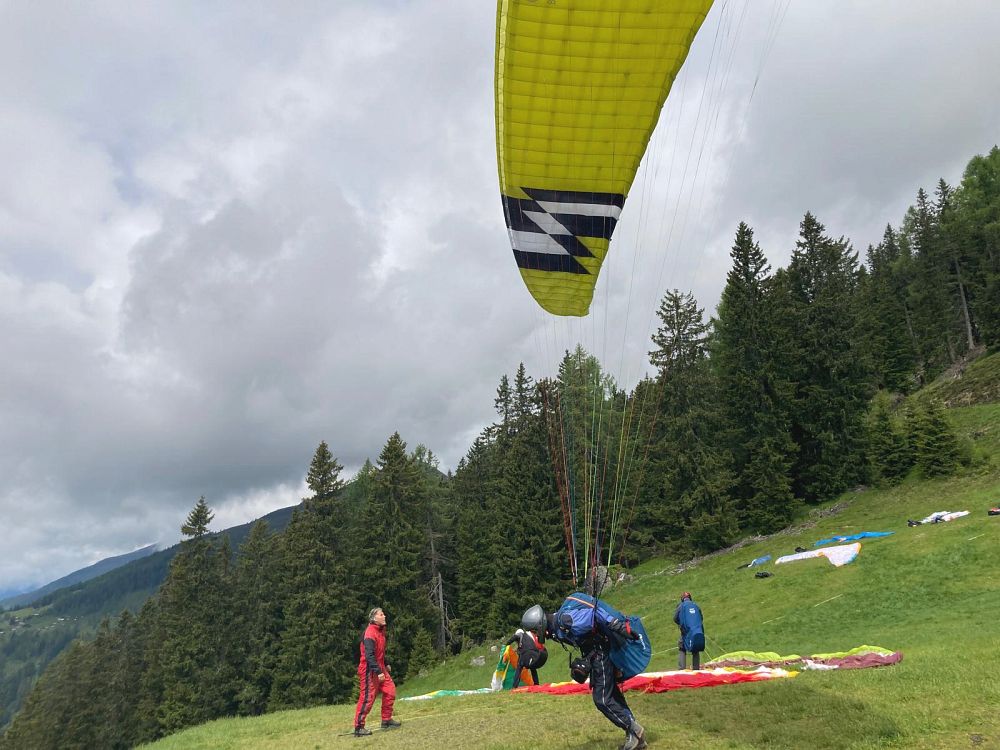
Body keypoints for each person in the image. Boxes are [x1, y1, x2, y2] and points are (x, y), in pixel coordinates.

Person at [522, 602, 647, 750]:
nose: (536, 635)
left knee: (602, 700)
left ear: (540, 625)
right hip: (596, 656)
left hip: (601, 655)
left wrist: (617, 626)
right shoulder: (554, 627)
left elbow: (594, 614)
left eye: (534, 631)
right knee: (612, 695)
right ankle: (635, 737)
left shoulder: (564, 619)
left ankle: (634, 729)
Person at [353, 607, 401, 737]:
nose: (384, 616)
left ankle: (386, 720)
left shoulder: (380, 631)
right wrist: (379, 671)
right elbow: (369, 656)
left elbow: (379, 651)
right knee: (367, 699)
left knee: (390, 691)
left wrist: (386, 663)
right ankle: (359, 728)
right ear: (374, 618)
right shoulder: (370, 633)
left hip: (379, 667)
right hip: (369, 670)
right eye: (381, 614)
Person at [673, 592, 705, 670]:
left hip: (686, 631)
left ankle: (682, 669)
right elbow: (701, 618)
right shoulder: (696, 605)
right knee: (695, 648)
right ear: (690, 598)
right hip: (696, 630)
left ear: (682, 599)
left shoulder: (681, 606)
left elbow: (675, 618)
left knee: (682, 647)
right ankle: (696, 669)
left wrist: (681, 624)